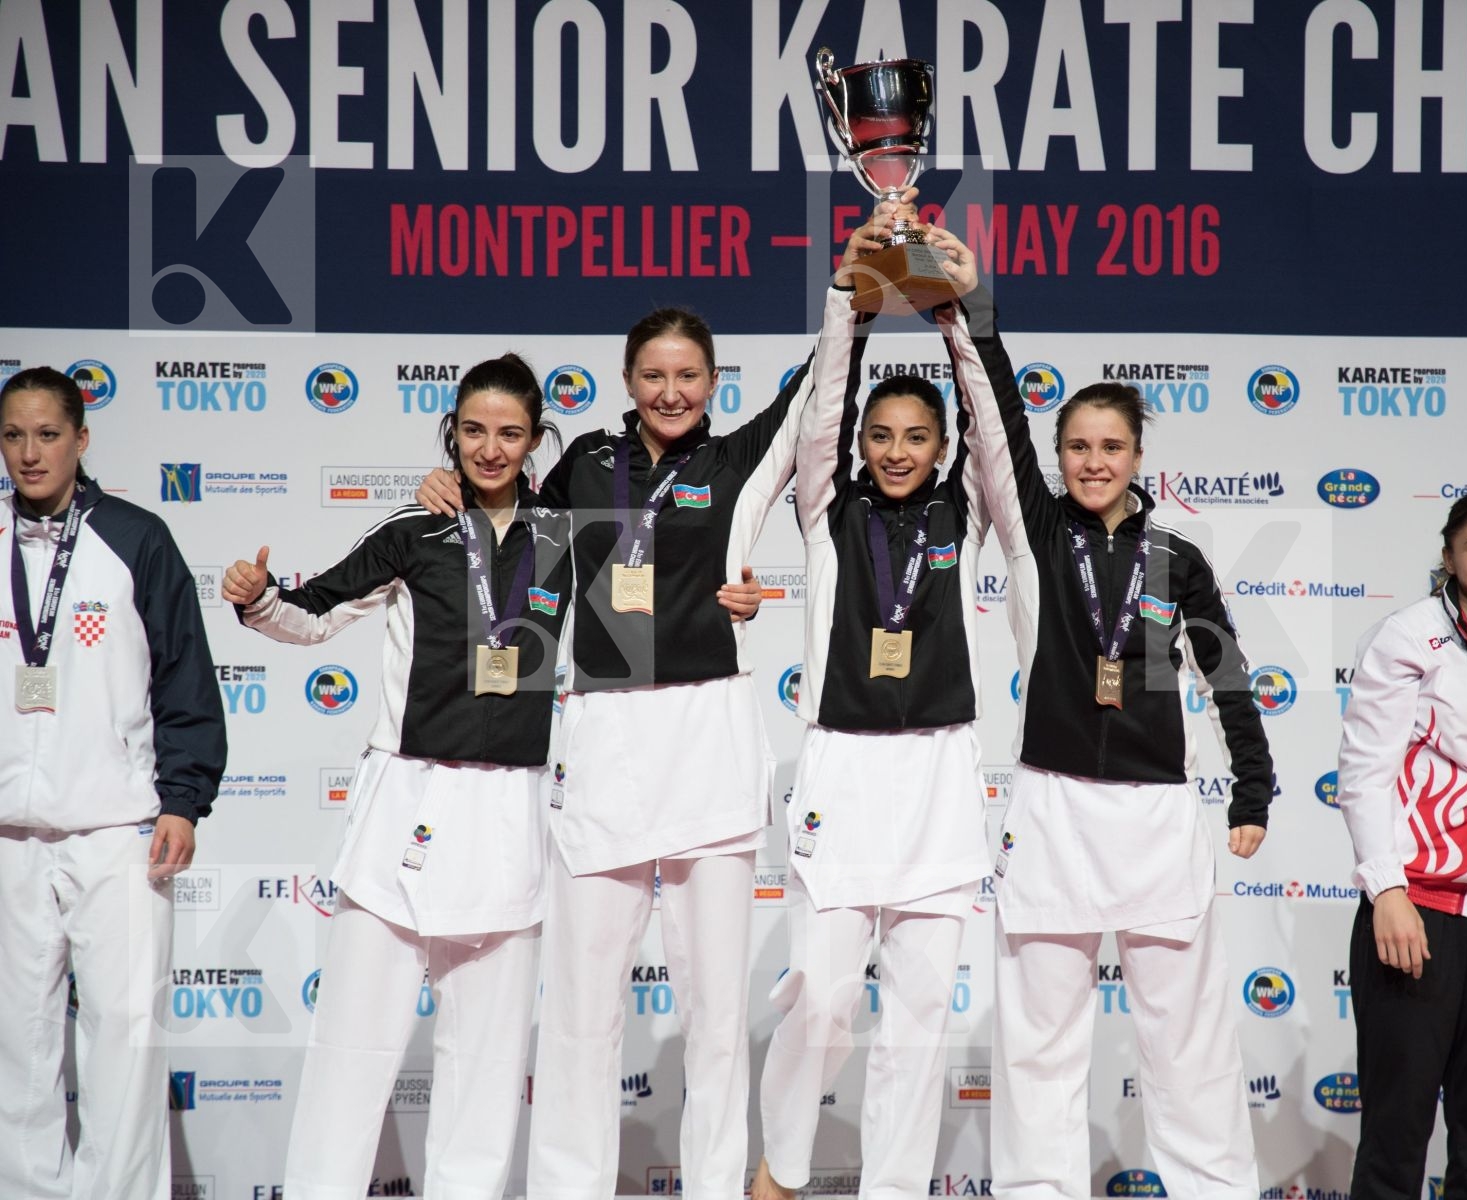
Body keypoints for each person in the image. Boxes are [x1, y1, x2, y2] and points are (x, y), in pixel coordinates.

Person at [416, 310, 807, 1197]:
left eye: (690, 377)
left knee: (715, 1016)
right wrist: (449, 488)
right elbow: (519, 545)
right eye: (654, 376)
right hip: (605, 740)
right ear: (627, 380)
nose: (672, 393)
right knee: (583, 1011)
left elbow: (815, 391)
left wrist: (851, 290)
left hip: (708, 734)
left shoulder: (735, 460)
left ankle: (713, 1187)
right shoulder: (587, 462)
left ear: (714, 383)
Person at [943, 233, 1273, 1198]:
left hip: (1156, 815)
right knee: (1040, 1045)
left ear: (1139, 454)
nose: (1093, 461)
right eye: (1077, 446)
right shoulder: (1036, 532)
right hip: (1051, 809)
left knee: (1190, 1042)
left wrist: (1253, 784)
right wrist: (975, 309)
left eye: (1111, 446)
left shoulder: (1177, 558)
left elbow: (1230, 675)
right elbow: (995, 413)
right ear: (1058, 456)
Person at [223, 354, 572, 1199]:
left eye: (510, 433)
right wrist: (259, 596)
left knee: (486, 1062)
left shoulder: (568, 534)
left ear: (534, 443)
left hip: (511, 812)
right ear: (452, 431)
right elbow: (312, 615)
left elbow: (635, 633)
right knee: (353, 1043)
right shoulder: (413, 531)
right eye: (474, 431)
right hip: (406, 807)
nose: (490, 450)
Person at [751, 204, 992, 1200]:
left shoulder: (966, 513)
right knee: (821, 1001)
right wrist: (849, 305)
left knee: (921, 1022)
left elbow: (998, 426)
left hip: (939, 779)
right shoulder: (827, 512)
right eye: (881, 436)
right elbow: (819, 414)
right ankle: (783, 1170)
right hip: (842, 774)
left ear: (939, 447)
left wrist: (953, 313)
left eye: (915, 436)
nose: (895, 450)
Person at [0, 366, 226, 1200]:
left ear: (82, 440)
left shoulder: (135, 537)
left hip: (117, 831)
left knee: (124, 1038)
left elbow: (184, 679)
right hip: (7, 840)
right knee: (16, 1044)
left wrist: (182, 800)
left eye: (48, 434)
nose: (30, 453)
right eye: (14, 435)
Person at [1334, 487, 1467, 1200]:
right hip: (1417, 915)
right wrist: (1388, 892)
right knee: (1397, 1135)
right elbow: (1365, 775)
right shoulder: (1410, 635)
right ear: (1450, 557)